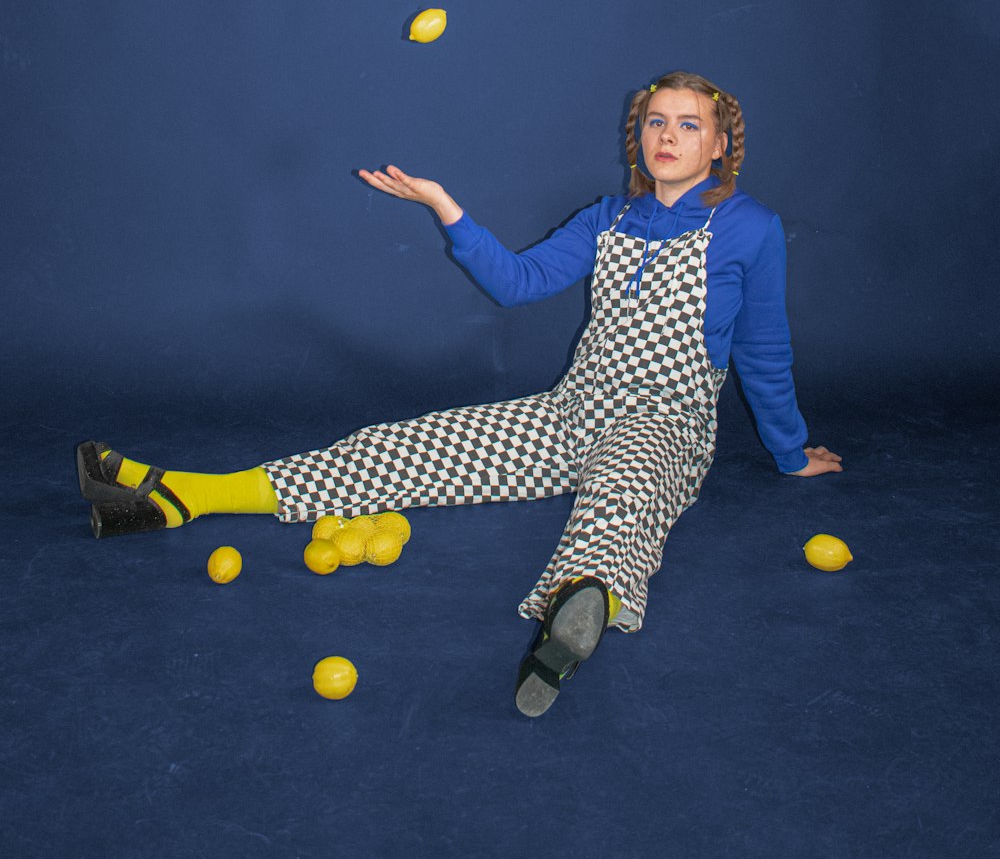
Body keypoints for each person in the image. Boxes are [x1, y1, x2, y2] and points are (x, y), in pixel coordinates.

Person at [77, 71, 841, 717]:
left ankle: (577, 612)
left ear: (719, 145)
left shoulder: (748, 228)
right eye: (653, 121)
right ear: (637, 136)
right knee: (402, 447)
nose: (665, 136)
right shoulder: (608, 219)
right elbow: (519, 283)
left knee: (624, 493)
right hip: (570, 412)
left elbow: (765, 350)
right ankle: (189, 495)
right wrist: (447, 208)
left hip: (665, 423)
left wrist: (788, 450)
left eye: (687, 124)